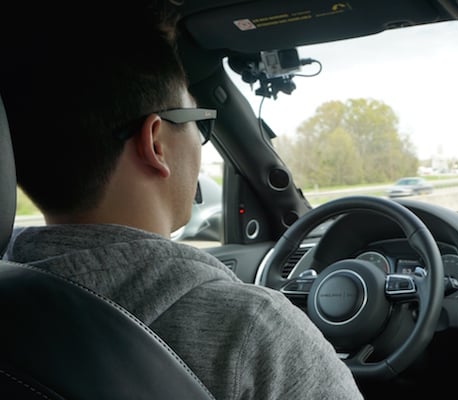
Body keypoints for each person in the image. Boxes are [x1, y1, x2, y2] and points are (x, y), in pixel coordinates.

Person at [0, 2, 364, 399]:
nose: (199, 141)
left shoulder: (13, 309)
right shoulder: (254, 333)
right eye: (197, 122)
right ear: (156, 142)